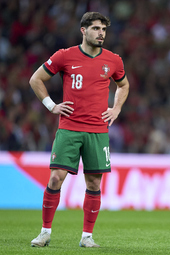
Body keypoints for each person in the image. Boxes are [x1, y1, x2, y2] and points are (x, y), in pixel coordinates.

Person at [29, 12, 129, 248]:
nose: (101, 33)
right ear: (83, 30)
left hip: (97, 131)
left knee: (94, 183)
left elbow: (123, 85)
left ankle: (87, 237)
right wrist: (51, 106)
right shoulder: (65, 56)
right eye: (95, 28)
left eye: (103, 29)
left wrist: (116, 109)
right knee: (55, 178)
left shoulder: (113, 60)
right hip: (69, 128)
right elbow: (36, 79)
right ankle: (44, 232)